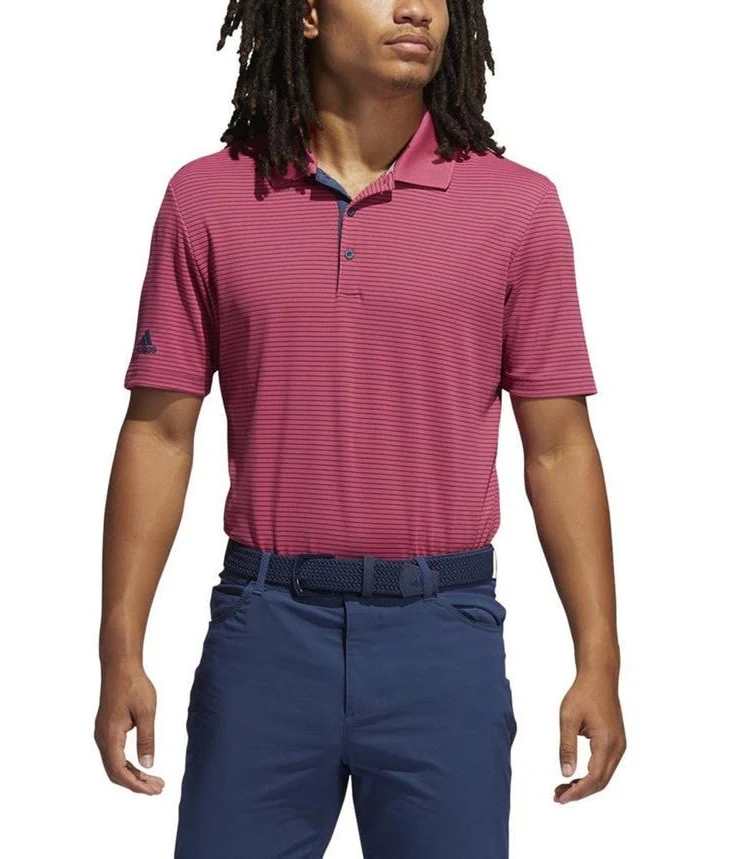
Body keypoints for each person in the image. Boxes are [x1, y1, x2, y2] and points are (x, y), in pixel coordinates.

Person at [95, 1, 626, 856]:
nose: (417, 8)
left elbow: (559, 448)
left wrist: (598, 658)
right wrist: (119, 649)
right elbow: (158, 435)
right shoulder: (207, 198)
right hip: (263, 634)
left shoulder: (517, 207)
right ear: (306, 13)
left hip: (442, 637)